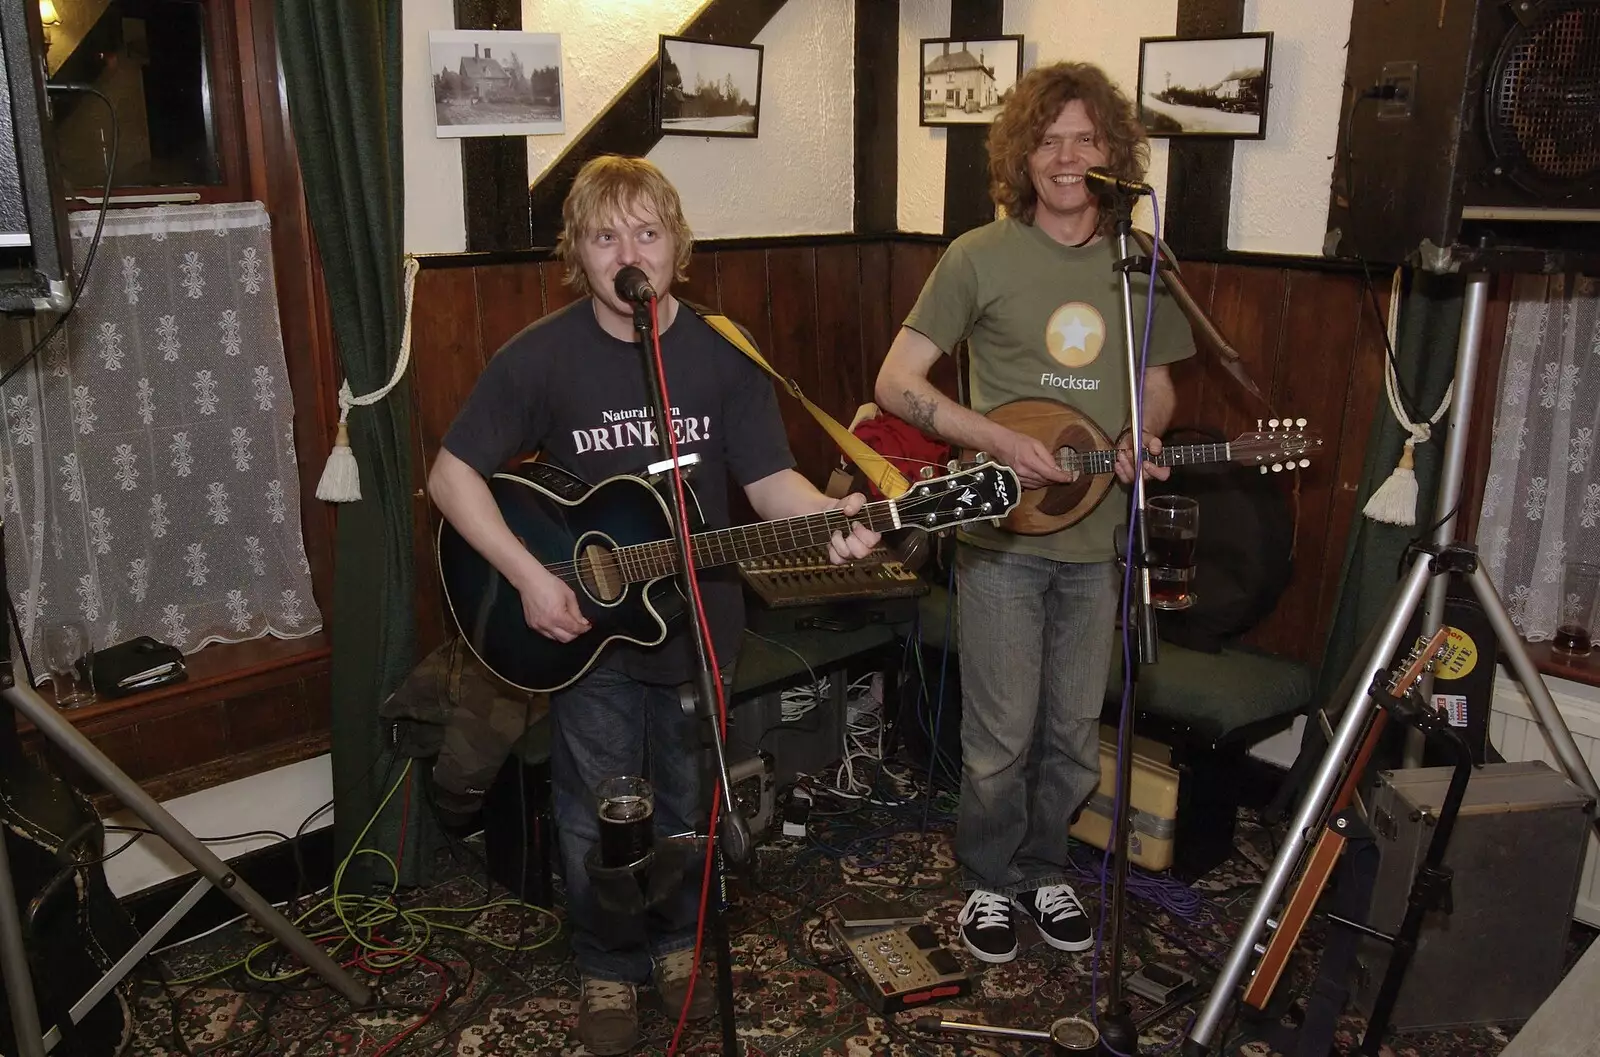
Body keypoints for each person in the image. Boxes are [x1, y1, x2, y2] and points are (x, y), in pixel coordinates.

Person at [429, 155, 880, 1054]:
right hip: (587, 639)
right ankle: (608, 964)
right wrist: (527, 573)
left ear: (677, 244)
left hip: (703, 628)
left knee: (687, 797)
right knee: (595, 805)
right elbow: (450, 475)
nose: (628, 251)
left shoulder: (723, 348)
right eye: (606, 235)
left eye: (647, 231)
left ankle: (677, 948)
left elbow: (768, 480)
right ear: (579, 254)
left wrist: (834, 516)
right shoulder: (542, 357)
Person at [873, 62, 1195, 964]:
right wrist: (997, 439)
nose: (1066, 156)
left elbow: (1160, 387)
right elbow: (895, 383)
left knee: (1070, 739)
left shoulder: (1140, 264)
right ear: (1023, 153)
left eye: (1086, 138)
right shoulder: (978, 255)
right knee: (999, 737)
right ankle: (986, 880)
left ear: (1113, 155)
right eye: (1048, 139)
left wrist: (1138, 434)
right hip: (1003, 536)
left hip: (1100, 544)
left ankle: (1046, 865)